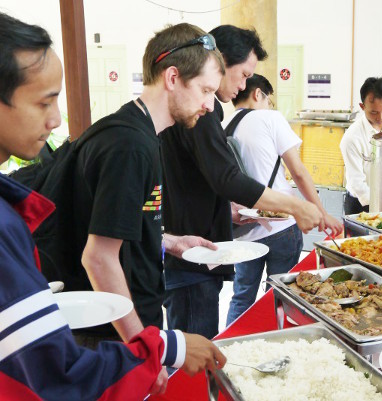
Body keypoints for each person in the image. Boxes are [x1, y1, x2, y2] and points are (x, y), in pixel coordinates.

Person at [0, 12, 226, 399]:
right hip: (107, 337)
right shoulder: (129, 145)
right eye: (206, 90)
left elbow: (105, 221)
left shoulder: (139, 135)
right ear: (173, 78)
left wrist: (168, 241)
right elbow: (99, 258)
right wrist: (150, 350)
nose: (210, 104)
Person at [160, 25, 323, 339]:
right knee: (195, 352)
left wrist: (226, 209)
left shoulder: (202, 111)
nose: (244, 85)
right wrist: (296, 206)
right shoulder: (200, 112)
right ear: (217, 63)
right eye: (245, 74)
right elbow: (227, 178)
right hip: (191, 259)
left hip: (192, 252)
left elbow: (204, 180)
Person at [222, 74, 344, 325]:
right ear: (258, 94)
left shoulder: (225, 124)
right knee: (280, 296)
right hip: (280, 224)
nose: (270, 105)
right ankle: (276, 344)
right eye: (269, 100)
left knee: (242, 296)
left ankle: (231, 350)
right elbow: (298, 171)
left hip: (246, 227)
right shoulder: (270, 118)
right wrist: (321, 212)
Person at [340, 77, 382, 214]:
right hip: (361, 204)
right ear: (362, 106)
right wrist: (381, 208)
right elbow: (357, 183)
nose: (381, 117)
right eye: (374, 112)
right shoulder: (352, 138)